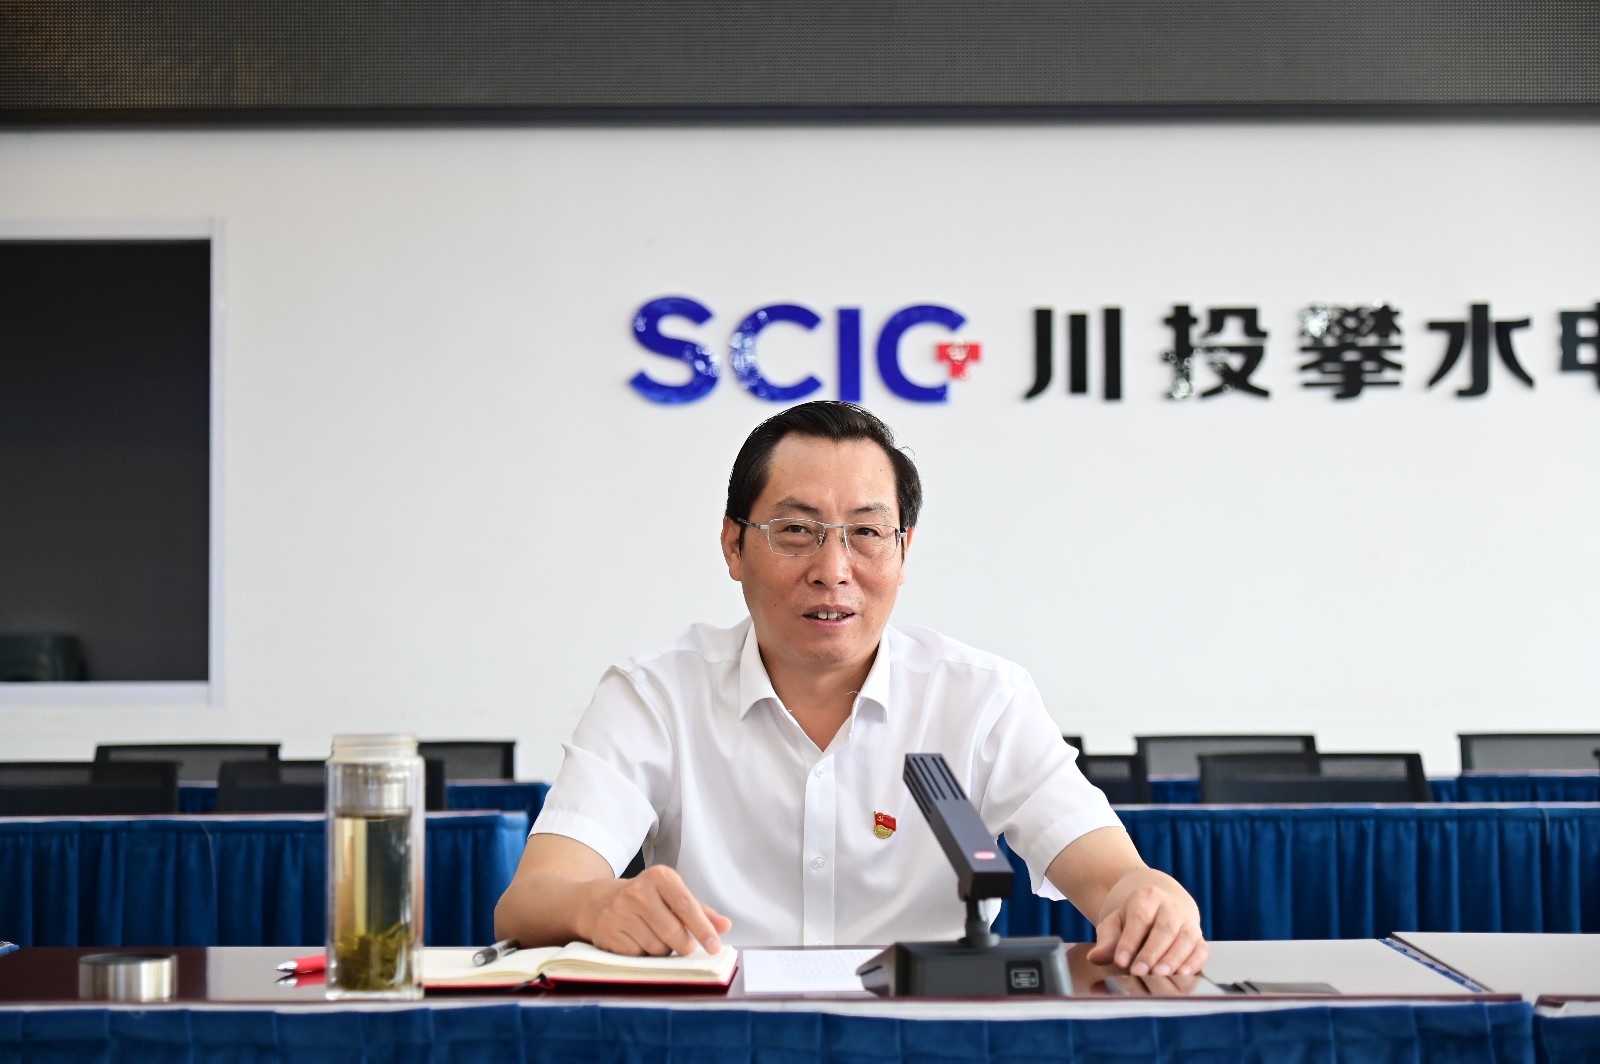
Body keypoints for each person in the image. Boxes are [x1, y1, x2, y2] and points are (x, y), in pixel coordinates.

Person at [495, 401, 1207, 978]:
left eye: (866, 532)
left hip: (926, 1039)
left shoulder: (981, 699)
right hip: (723, 1038)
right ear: (733, 546)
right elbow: (529, 902)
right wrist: (596, 905)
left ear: (903, 550)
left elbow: (1110, 876)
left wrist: (1147, 895)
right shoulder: (654, 695)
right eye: (796, 530)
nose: (833, 569)